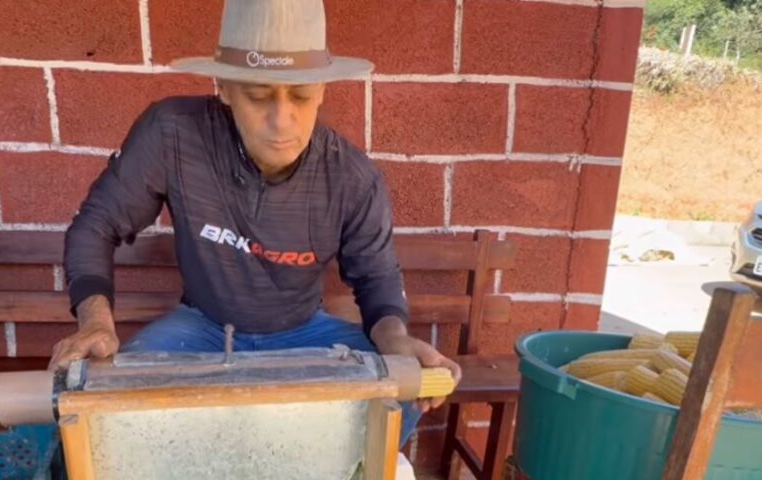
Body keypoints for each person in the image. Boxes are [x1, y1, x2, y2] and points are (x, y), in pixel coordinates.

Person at [51, 0, 460, 445]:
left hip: (306, 334)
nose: (282, 120)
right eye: (259, 95)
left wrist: (395, 341)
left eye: (301, 96)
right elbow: (96, 225)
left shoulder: (352, 177)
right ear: (224, 86)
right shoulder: (173, 134)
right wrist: (95, 323)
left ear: (323, 89)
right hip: (202, 329)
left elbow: (378, 279)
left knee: (402, 396)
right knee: (105, 415)